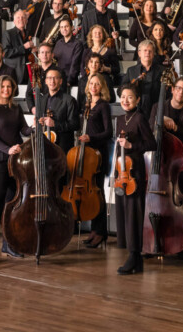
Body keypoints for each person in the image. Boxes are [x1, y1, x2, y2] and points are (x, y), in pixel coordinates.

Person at [0, 75, 27, 265]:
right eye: (3, 86)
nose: (6, 90)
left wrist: (36, 127)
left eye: (10, 87)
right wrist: (6, 149)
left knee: (13, 203)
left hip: (15, 161)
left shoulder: (16, 109)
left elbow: (24, 130)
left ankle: (8, 244)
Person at [113, 86, 155, 275]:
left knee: (134, 216)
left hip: (135, 173)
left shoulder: (139, 118)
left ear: (137, 100)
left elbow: (151, 143)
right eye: (123, 97)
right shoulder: (120, 119)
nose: (126, 100)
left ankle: (134, 255)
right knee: (125, 215)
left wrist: (131, 145)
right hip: (121, 173)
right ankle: (135, 259)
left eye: (130, 97)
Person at [80, 75, 114, 249]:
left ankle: (101, 232)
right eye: (91, 83)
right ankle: (94, 230)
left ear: (102, 87)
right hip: (88, 153)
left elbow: (108, 132)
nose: (93, 86)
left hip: (99, 153)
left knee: (98, 191)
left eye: (97, 84)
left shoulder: (103, 106)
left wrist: (90, 137)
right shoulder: (87, 105)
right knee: (92, 191)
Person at [33, 67, 80, 152]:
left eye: (55, 78)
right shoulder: (42, 100)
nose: (52, 81)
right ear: (46, 81)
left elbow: (75, 125)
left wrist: (55, 123)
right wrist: (38, 121)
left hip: (62, 148)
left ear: (60, 81)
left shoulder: (69, 100)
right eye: (49, 78)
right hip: (45, 147)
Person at [122, 41, 162, 117]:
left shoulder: (162, 70)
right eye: (145, 50)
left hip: (156, 110)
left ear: (153, 54)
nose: (147, 53)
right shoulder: (131, 71)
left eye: (150, 51)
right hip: (136, 110)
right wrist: (132, 85)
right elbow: (120, 90)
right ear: (139, 53)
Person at [53, 17, 85, 86]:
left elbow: (75, 65)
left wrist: (69, 81)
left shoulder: (77, 44)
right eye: (61, 27)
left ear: (72, 27)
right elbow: (54, 60)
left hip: (69, 81)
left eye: (66, 26)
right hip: (57, 79)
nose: (64, 29)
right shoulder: (58, 43)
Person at [2, 9, 32, 82]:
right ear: (14, 21)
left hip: (27, 71)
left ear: (26, 21)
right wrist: (24, 47)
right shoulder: (8, 33)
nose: (21, 19)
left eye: (23, 17)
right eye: (18, 17)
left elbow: (25, 52)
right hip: (14, 72)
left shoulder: (28, 34)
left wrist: (31, 50)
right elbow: (6, 53)